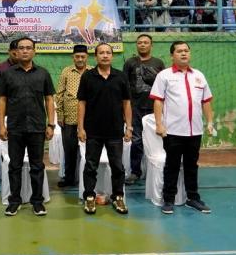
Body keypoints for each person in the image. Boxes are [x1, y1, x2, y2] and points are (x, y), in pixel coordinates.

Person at [149, 41, 214, 214]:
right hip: (173, 132)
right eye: (179, 51)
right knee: (172, 165)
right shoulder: (164, 75)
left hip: (195, 131)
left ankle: (193, 198)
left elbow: (206, 102)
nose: (184, 53)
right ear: (172, 55)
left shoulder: (199, 76)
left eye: (186, 51)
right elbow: (158, 101)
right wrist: (159, 124)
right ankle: (168, 199)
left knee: (192, 165)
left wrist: (210, 123)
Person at [0, 37, 56, 217]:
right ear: (15, 52)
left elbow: (49, 99)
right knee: (14, 166)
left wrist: (51, 124)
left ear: (34, 51)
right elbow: (2, 100)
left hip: (37, 127)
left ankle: (37, 202)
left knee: (37, 166)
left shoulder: (43, 74)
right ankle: (14, 201)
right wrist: (1, 125)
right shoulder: (8, 74)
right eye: (21, 48)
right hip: (15, 127)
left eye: (28, 48)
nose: (24, 51)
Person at [77, 43, 132, 215]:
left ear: (112, 56)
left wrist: (129, 126)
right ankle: (89, 197)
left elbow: (127, 103)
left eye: (108, 52)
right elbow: (81, 103)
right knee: (90, 166)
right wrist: (80, 127)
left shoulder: (121, 76)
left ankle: (118, 197)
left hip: (115, 131)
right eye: (101, 53)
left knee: (117, 166)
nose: (105, 55)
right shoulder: (87, 76)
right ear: (96, 56)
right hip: (93, 131)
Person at [122, 34, 165, 185]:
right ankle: (135, 171)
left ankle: (160, 169)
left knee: (158, 140)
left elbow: (163, 86)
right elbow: (124, 87)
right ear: (136, 45)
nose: (142, 45)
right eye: (140, 42)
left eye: (146, 42)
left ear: (151, 45)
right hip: (135, 108)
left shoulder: (158, 63)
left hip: (155, 108)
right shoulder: (129, 63)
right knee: (136, 140)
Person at [54, 44, 91, 188]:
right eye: (77, 56)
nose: (80, 59)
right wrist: (60, 115)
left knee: (88, 151)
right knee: (69, 150)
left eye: (83, 56)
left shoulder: (92, 71)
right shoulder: (66, 72)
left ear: (87, 57)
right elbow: (60, 94)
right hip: (69, 118)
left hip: (88, 119)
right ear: (73, 57)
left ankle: (87, 179)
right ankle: (69, 179)